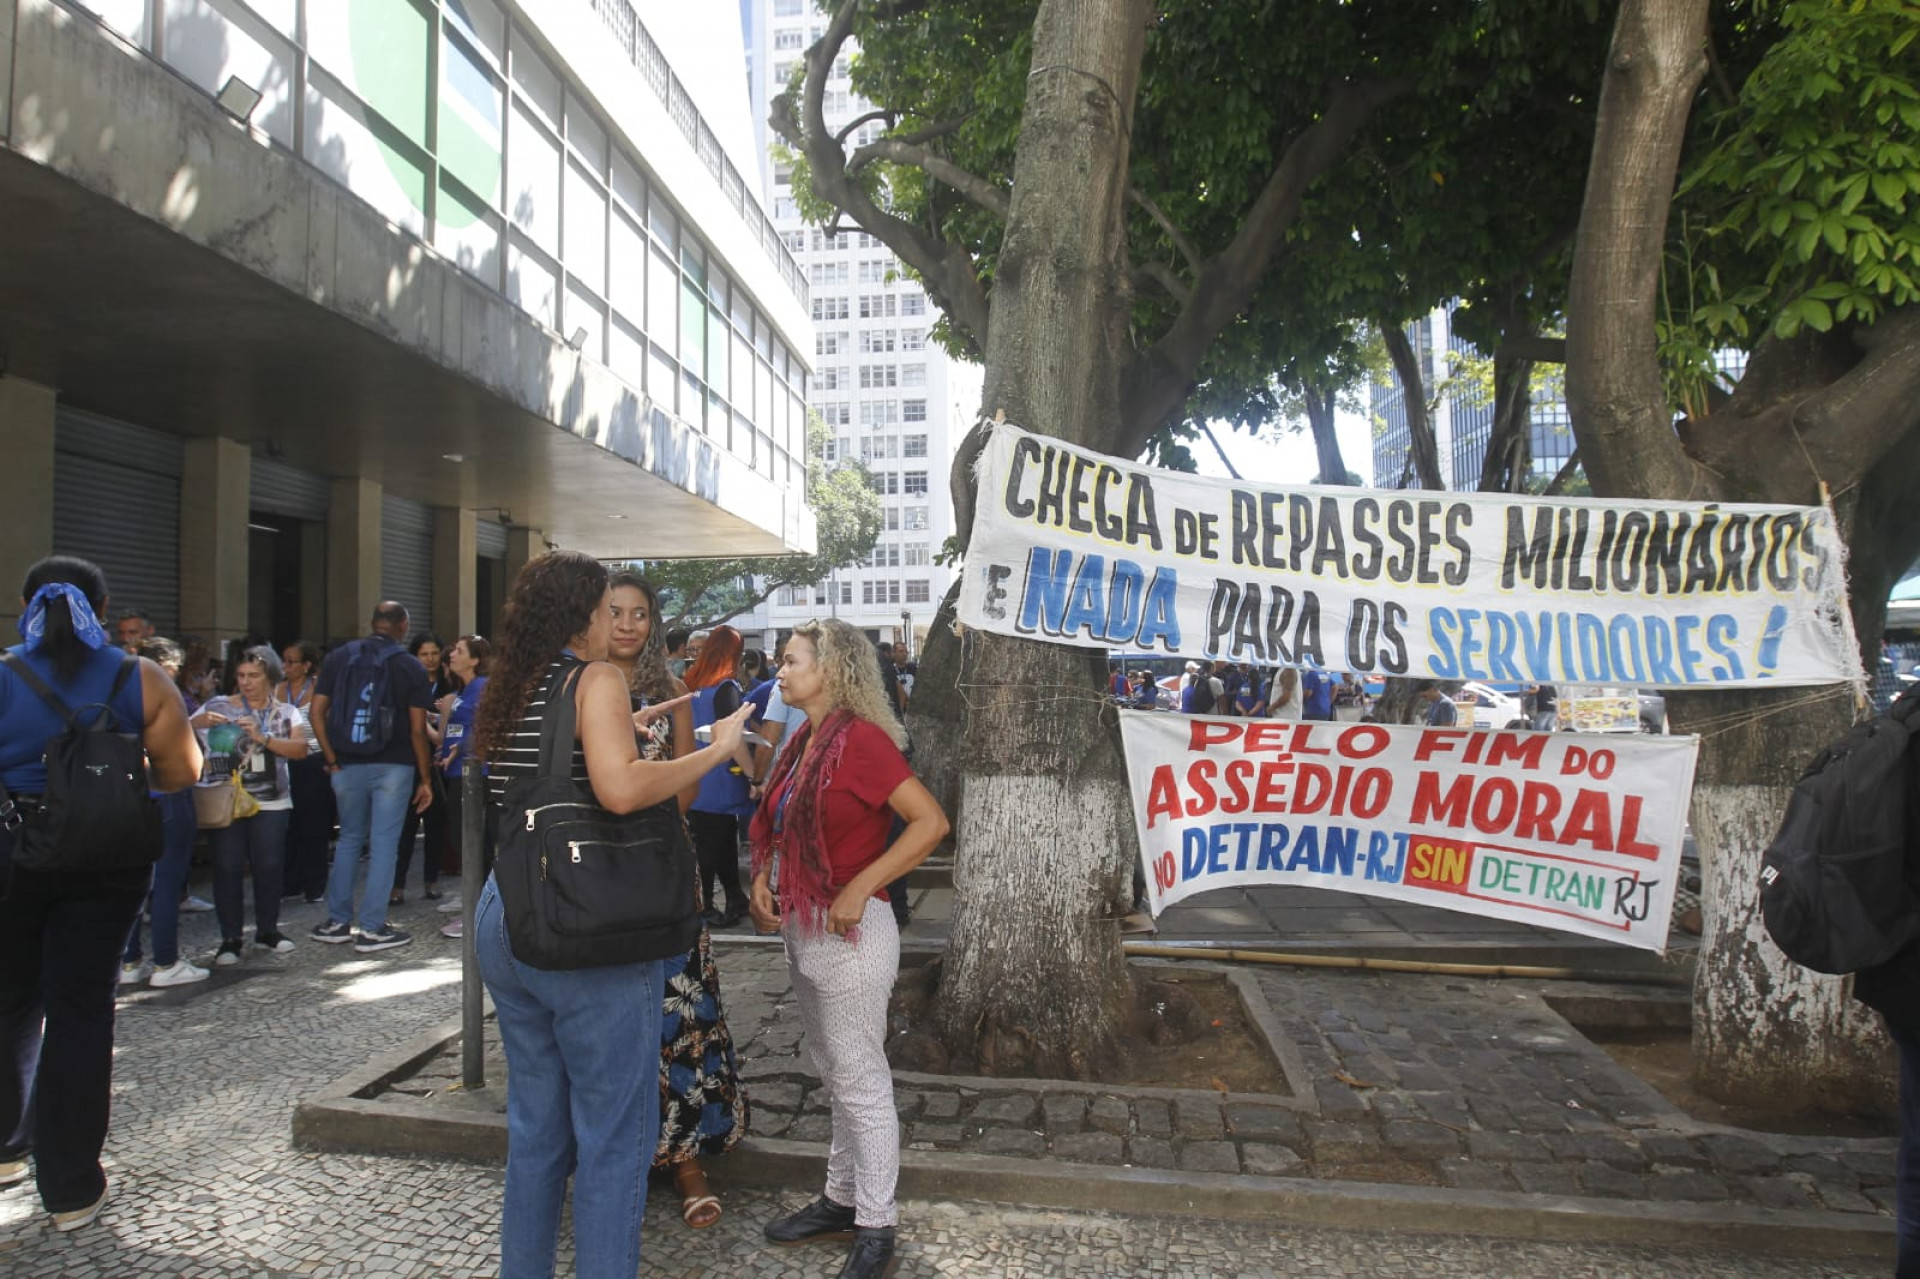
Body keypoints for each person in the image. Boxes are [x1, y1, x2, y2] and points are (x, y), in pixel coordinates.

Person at [471, 550, 750, 1279]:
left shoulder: (518, 681)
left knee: (536, 1130)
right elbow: (621, 788)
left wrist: (631, 721)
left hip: (506, 913)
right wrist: (714, 751)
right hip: (580, 924)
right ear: (584, 613)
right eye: (605, 608)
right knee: (615, 1135)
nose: (614, 621)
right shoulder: (592, 677)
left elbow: (552, 772)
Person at [0, 556, 202, 1231]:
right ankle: (70, 1189)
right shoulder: (136, 676)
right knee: (83, 1009)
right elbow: (180, 774)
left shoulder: (2, 674)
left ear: (26, 606)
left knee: (9, 997)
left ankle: (4, 1147)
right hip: (106, 860)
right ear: (105, 607)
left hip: (12, 853)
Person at [748, 619, 949, 1279]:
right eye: (780, 661)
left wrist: (865, 884)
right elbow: (779, 820)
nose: (780, 671)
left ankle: (877, 1225)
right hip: (805, 924)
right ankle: (840, 1199)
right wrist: (759, 880)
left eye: (792, 660)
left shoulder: (859, 741)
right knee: (835, 1071)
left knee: (859, 1077)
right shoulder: (805, 739)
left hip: (852, 935)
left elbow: (931, 822)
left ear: (831, 669)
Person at [603, 574, 750, 1231]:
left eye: (640, 613)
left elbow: (687, 793)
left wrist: (634, 783)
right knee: (605, 1022)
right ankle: (617, 1159)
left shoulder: (673, 693)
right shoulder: (576, 688)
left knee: (680, 1011)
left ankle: (690, 1159)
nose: (629, 624)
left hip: (665, 869)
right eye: (615, 611)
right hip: (596, 878)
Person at [307, 602, 434, 954]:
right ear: (403, 626)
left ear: (373, 623)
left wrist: (331, 759)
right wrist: (425, 777)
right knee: (384, 844)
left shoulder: (338, 658)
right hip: (394, 764)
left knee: (348, 839)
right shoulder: (409, 665)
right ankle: (373, 927)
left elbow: (316, 713)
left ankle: (336, 922)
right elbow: (417, 729)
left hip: (346, 763)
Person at [194, 647, 311, 966]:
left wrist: (263, 737)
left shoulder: (286, 712)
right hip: (226, 798)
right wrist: (197, 722)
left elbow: (301, 749)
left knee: (269, 866)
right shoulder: (217, 706)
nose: (246, 682)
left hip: (272, 799)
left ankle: (268, 930)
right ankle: (230, 937)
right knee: (228, 866)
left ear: (270, 676)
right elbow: (180, 731)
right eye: (241, 675)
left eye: (254, 676)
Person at [119, 638, 209, 988]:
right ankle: (166, 961)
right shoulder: (163, 695)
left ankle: (129, 961)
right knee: (168, 883)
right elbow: (183, 756)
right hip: (167, 793)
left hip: (131, 796)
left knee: (135, 882)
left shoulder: (118, 696)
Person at [684, 625, 756, 928]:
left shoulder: (691, 683)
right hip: (720, 777)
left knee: (722, 841)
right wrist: (755, 776)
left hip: (696, 773)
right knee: (712, 847)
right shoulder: (725, 687)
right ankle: (705, 906)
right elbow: (734, 738)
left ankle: (735, 897)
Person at [430, 635, 491, 939]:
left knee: (473, 841)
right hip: (453, 774)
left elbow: (488, 726)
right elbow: (445, 736)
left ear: (475, 659)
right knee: (460, 839)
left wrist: (464, 747)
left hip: (475, 776)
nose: (451, 654)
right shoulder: (459, 693)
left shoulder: (483, 688)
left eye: (458, 650)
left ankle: (478, 909)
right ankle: (471, 901)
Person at [393, 632, 453, 906]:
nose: (429, 659)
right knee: (404, 826)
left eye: (433, 653)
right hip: (409, 759)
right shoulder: (406, 682)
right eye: (423, 654)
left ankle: (431, 881)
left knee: (435, 825)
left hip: (440, 762)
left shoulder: (449, 684)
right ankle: (397, 885)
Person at [278, 640, 333, 904]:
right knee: (288, 825)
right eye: (284, 661)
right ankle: (289, 882)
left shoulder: (320, 690)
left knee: (315, 824)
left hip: (312, 760)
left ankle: (315, 883)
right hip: (282, 762)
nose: (285, 666)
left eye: (291, 661)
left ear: (306, 665)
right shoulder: (276, 691)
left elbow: (328, 725)